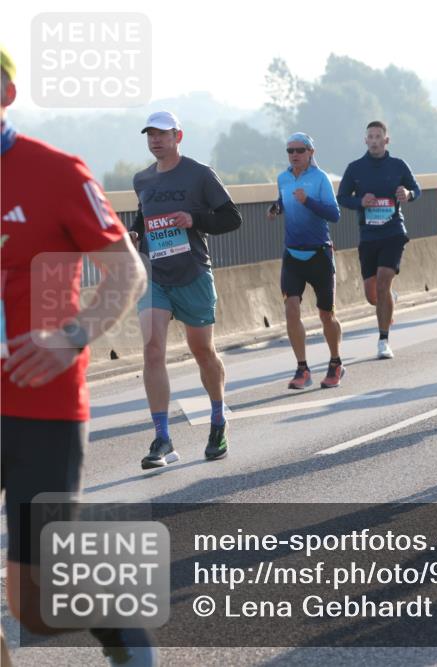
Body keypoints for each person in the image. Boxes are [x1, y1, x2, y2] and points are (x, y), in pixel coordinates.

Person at [0, 45, 157, 665]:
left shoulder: (56, 172)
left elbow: (127, 273)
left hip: (41, 403)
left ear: (6, 95)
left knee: (34, 601)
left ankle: (121, 630)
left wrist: (71, 336)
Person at [129, 111, 243, 469]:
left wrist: (195, 219)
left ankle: (218, 420)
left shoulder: (200, 174)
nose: (155, 140)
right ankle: (162, 438)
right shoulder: (142, 179)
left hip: (193, 274)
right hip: (156, 277)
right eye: (150, 134)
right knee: (152, 351)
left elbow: (232, 218)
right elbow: (144, 216)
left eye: (162, 134)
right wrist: (135, 233)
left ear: (178, 136)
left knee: (203, 351)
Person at [338, 121, 420, 360]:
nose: (374, 141)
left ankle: (383, 340)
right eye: (370, 137)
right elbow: (342, 197)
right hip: (368, 235)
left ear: (386, 140)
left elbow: (416, 190)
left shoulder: (398, 165)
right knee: (372, 294)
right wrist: (360, 201)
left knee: (383, 281)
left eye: (378, 136)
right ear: (365, 141)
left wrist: (408, 194)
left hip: (393, 232)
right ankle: (388, 300)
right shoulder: (355, 168)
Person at [270, 132, 344, 389]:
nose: (294, 155)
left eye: (299, 150)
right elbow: (283, 201)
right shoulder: (283, 178)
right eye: (290, 151)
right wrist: (276, 208)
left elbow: (334, 214)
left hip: (319, 254)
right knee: (291, 309)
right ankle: (302, 368)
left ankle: (335, 362)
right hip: (293, 254)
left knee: (326, 314)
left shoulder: (320, 178)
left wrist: (308, 201)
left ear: (311, 152)